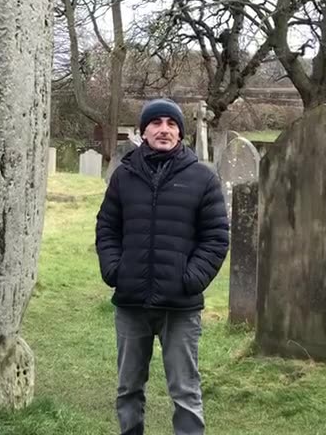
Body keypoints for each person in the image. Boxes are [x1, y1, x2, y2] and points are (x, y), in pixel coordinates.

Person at [95, 97, 230, 435]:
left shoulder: (202, 178)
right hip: (131, 304)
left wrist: (191, 278)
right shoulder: (124, 176)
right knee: (128, 389)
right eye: (156, 123)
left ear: (180, 133)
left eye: (171, 124)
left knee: (185, 392)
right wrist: (115, 271)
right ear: (144, 131)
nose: (164, 130)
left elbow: (216, 237)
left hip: (180, 307)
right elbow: (107, 228)